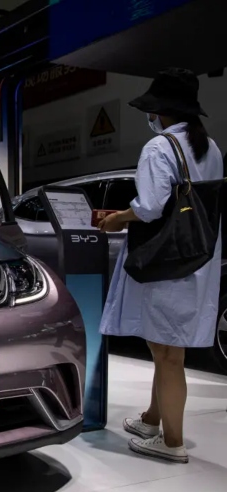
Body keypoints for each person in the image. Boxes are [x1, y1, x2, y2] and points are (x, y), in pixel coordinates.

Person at [98, 68, 222, 464]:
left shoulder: (159, 147)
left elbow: (150, 207)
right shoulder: (210, 148)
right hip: (197, 257)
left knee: (168, 354)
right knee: (166, 346)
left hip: (166, 262)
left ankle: (172, 442)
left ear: (162, 110)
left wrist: (118, 218)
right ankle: (152, 419)